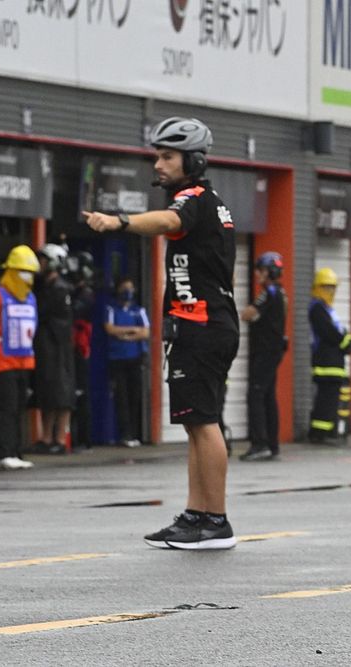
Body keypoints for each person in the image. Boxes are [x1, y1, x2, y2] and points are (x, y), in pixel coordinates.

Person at [84, 116, 239, 550]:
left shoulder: (194, 198)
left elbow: (167, 222)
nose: (158, 163)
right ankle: (197, 514)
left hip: (204, 326)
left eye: (167, 156)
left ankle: (216, 520)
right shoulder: (202, 200)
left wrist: (119, 222)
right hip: (197, 326)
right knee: (195, 423)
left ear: (193, 160)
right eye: (157, 155)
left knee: (205, 422)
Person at [0, 246, 40, 470]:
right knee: (4, 408)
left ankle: (15, 451)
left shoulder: (30, 298)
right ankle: (2, 453)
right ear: (10, 270)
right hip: (2, 361)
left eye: (29, 272)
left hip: (24, 360)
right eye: (22, 271)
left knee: (19, 407)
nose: (27, 276)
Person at [240, 252, 288, 461]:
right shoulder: (280, 292)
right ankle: (271, 444)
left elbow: (247, 314)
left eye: (260, 270)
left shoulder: (269, 292)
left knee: (256, 395)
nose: (257, 274)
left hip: (265, 352)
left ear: (269, 271)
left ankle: (259, 444)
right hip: (273, 350)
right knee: (268, 397)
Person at [33, 243, 76, 456]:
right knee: (46, 393)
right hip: (45, 346)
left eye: (42, 260)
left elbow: (49, 317)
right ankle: (46, 437)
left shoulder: (60, 288)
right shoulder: (42, 287)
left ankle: (59, 438)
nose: (38, 264)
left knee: (61, 393)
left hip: (58, 347)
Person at [308, 267, 351, 444]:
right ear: (318, 287)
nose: (331, 291)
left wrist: (345, 339)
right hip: (326, 364)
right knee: (325, 402)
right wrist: (346, 342)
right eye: (327, 287)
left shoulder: (326, 309)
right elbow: (330, 333)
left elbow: (337, 332)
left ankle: (325, 432)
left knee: (329, 400)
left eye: (333, 287)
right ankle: (320, 435)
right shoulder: (317, 308)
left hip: (334, 364)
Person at [105, 277, 150, 447]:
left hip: (135, 358)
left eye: (130, 288)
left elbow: (145, 332)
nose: (127, 291)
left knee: (135, 396)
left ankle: (135, 433)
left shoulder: (138, 310)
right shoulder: (111, 309)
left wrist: (124, 334)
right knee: (121, 397)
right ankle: (124, 434)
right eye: (124, 288)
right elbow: (110, 329)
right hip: (117, 358)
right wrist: (133, 330)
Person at [69, 250, 96, 451]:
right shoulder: (75, 291)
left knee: (81, 393)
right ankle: (77, 437)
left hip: (80, 347)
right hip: (73, 346)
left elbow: (72, 312)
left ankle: (83, 438)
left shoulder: (86, 294)